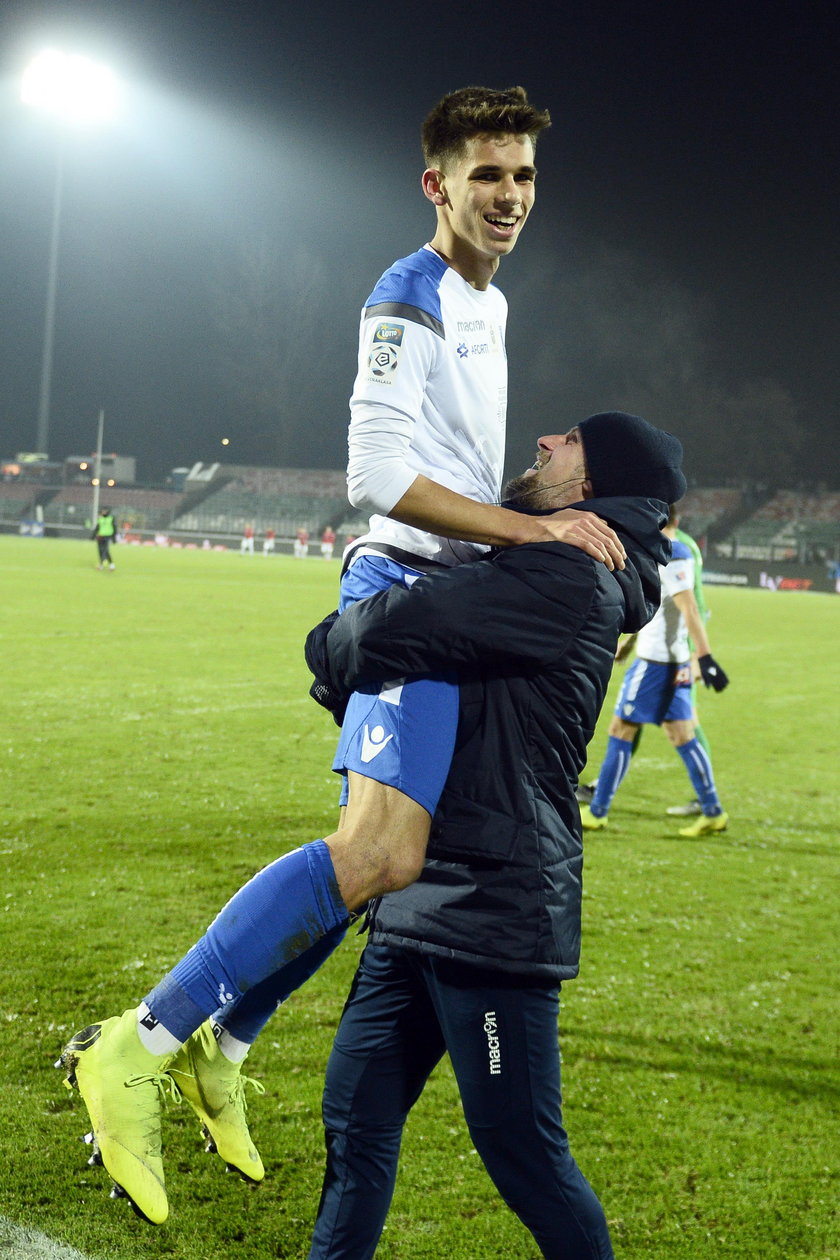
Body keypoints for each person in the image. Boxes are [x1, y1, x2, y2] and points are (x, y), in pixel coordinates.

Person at [57, 83, 621, 1225]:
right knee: (373, 853)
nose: (509, 197)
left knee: (393, 862)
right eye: (487, 177)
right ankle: (135, 1045)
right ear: (436, 185)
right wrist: (535, 529)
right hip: (406, 591)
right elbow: (374, 475)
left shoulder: (488, 302)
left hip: (448, 594)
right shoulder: (406, 296)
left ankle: (229, 1043)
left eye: (522, 177)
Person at [58, 413, 682, 1238]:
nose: (542, 441)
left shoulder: (571, 576)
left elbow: (399, 627)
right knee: (354, 1126)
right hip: (416, 892)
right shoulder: (547, 559)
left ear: (591, 486)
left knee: (524, 1155)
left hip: (493, 912)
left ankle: (155, 1039)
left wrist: (328, 644)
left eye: (566, 440)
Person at [579, 504, 730, 838]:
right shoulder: (670, 550)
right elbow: (660, 607)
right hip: (667, 659)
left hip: (657, 664)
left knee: (621, 730)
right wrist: (630, 645)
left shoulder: (674, 552)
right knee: (682, 735)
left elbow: (688, 605)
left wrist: (704, 657)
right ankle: (714, 812)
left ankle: (598, 811)